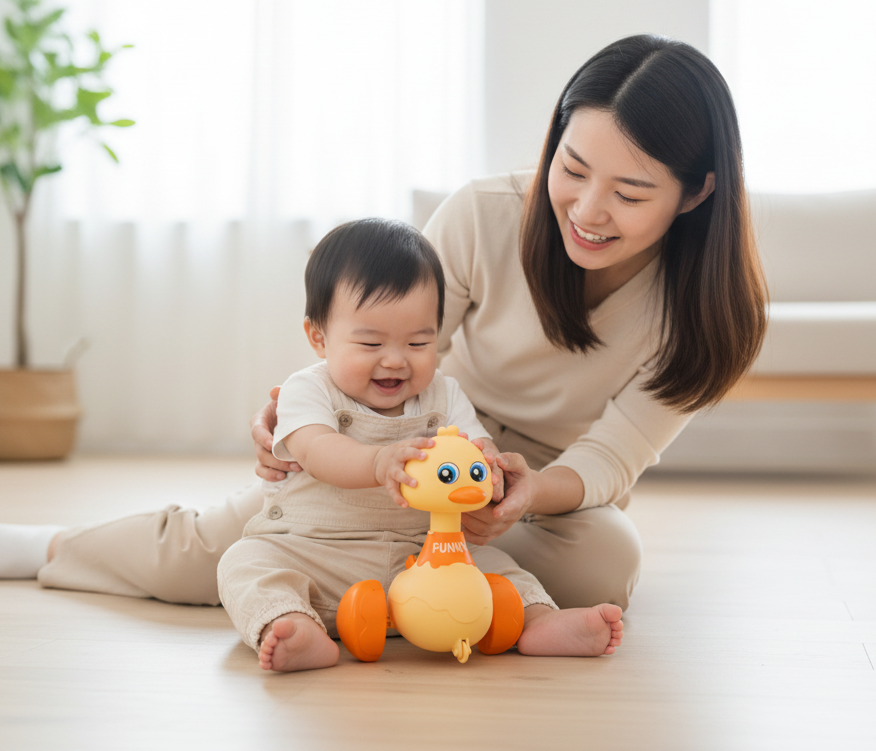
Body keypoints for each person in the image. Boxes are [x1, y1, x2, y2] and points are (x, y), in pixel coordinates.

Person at [0, 33, 766, 619]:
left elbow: (613, 457)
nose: (586, 209)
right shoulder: (484, 214)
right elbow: (382, 336)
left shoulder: (708, 315)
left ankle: (378, 587)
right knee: (222, 547)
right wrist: (304, 416)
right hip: (406, 442)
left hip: (541, 488)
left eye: (629, 193)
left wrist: (524, 492)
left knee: (604, 566)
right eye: (572, 169)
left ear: (697, 193)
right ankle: (54, 549)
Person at [218, 217, 623, 670]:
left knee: (497, 564)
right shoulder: (305, 390)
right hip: (319, 555)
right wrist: (378, 462)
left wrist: (489, 470)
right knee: (245, 561)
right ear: (318, 337)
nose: (395, 359)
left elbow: (476, 447)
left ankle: (539, 621)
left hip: (430, 558)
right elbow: (316, 449)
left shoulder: (444, 395)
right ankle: (293, 624)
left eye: (418, 341)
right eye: (370, 342)